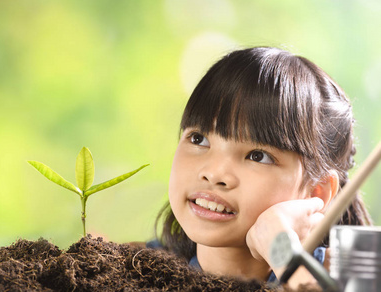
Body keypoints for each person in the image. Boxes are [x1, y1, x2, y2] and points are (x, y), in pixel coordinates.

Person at [152, 47, 372, 288]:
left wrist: (281, 251)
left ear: (317, 192)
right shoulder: (137, 267)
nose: (214, 174)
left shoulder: (365, 270)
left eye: (257, 156)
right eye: (198, 139)